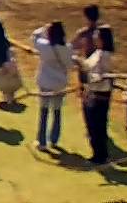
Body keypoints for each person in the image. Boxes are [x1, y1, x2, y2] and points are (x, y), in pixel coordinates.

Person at [31, 22, 72, 151]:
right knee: (57, 111)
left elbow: (34, 36)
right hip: (60, 83)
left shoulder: (44, 45)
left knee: (44, 111)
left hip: (45, 82)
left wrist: (43, 28)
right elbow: (70, 65)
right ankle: (54, 139)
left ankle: (42, 141)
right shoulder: (67, 48)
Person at [77, 25, 115, 164]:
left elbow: (104, 75)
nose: (94, 37)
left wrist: (91, 79)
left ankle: (100, 156)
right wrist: (79, 61)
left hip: (100, 93)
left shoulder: (106, 55)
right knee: (91, 125)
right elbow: (88, 66)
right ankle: (97, 154)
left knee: (98, 125)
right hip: (91, 91)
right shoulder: (97, 53)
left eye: (97, 35)